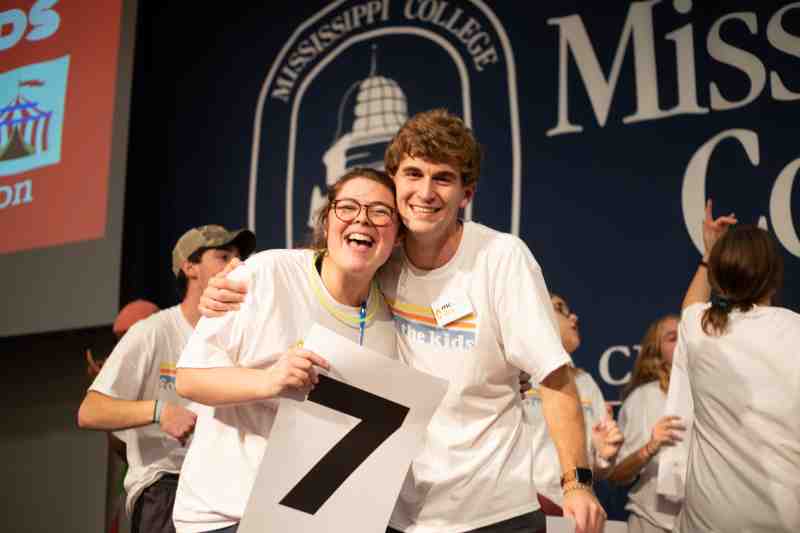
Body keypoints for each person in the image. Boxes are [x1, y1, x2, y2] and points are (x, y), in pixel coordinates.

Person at [200, 109, 607, 533]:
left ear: (466, 194)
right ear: (394, 181)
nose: (425, 192)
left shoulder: (501, 259)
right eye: (413, 174)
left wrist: (576, 483)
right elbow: (325, 263)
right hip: (396, 514)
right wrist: (242, 278)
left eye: (443, 178)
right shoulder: (381, 259)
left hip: (493, 512)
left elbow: (554, 378)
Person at [171, 168, 400, 533]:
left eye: (380, 211)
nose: (363, 219)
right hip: (228, 516)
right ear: (327, 222)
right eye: (348, 207)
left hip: (310, 518)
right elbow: (189, 379)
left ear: (397, 236)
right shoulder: (265, 273)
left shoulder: (388, 318)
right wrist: (269, 380)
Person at [77, 225, 256, 533]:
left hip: (228, 486)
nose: (235, 266)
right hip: (168, 487)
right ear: (190, 267)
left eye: (239, 258)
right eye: (223, 256)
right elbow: (90, 411)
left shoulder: (241, 333)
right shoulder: (154, 331)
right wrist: (161, 411)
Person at [674, 201, 799, 532]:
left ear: (718, 277)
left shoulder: (701, 327)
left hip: (711, 521)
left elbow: (690, 307)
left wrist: (708, 253)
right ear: (775, 277)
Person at [528, 294, 623, 519]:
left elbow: (600, 471)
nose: (574, 317)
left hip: (576, 513)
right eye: (560, 308)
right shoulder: (513, 374)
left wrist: (604, 456)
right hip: (523, 511)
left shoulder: (586, 383)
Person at [85, 299, 160, 533]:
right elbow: (124, 450)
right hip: (148, 494)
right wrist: (109, 399)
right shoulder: (132, 375)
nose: (122, 348)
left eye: (127, 338)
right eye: (119, 340)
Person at [606, 313, 685, 533]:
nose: (682, 343)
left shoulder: (708, 394)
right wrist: (650, 446)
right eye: (672, 338)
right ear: (656, 351)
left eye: (685, 336)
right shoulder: (643, 398)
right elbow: (617, 474)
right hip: (652, 522)